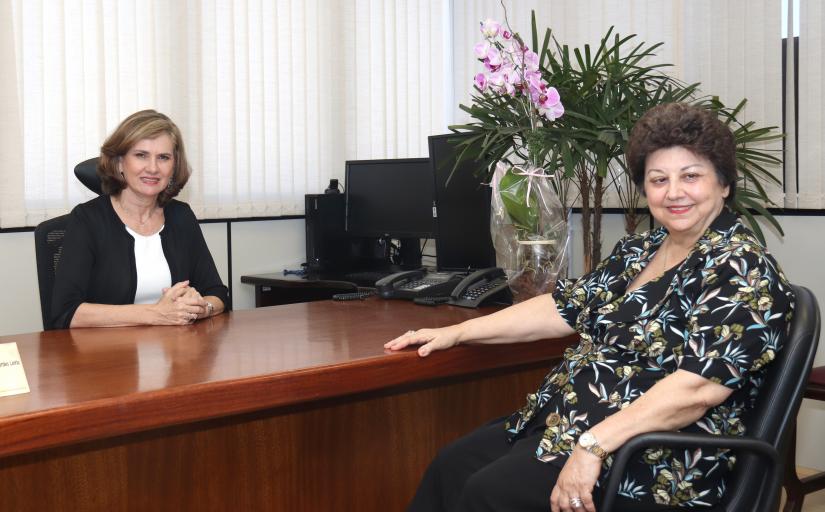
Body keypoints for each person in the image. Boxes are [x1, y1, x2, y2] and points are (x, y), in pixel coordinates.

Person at [385, 102, 795, 512]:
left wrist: (593, 446)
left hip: (658, 460)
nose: (674, 192)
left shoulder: (742, 267)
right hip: (572, 425)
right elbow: (561, 308)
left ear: (723, 184)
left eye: (691, 176)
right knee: (450, 468)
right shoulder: (641, 250)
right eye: (658, 179)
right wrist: (456, 332)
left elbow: (697, 389)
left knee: (489, 493)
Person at [50, 110, 228, 329]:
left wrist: (198, 308)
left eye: (163, 157)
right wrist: (155, 314)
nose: (153, 168)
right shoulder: (88, 220)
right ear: (119, 163)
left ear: (174, 167)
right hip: (107, 355)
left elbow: (217, 293)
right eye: (141, 155)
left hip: (174, 354)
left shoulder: (181, 217)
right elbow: (66, 312)